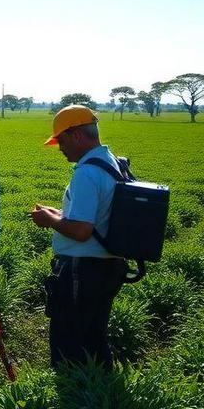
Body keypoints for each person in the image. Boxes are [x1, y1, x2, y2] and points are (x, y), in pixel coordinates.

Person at [29, 105, 126, 369]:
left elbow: (82, 230)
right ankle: (101, 396)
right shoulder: (111, 163)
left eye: (60, 140)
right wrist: (60, 213)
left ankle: (72, 401)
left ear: (76, 136)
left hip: (82, 269)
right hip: (106, 266)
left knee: (69, 341)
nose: (60, 148)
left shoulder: (86, 172)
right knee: (94, 337)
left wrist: (50, 220)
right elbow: (94, 217)